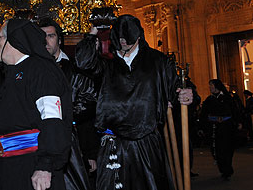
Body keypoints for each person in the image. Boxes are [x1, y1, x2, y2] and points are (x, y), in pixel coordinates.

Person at [75, 14, 194, 190]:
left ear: (138, 36)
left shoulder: (158, 61)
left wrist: (187, 95)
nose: (123, 43)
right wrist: (94, 31)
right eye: (119, 38)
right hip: (113, 142)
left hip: (146, 141)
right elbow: (83, 61)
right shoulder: (107, 64)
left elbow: (177, 89)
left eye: (127, 39)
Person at [0, 18, 73, 190]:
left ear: (12, 40)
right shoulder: (13, 74)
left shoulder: (40, 71)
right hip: (11, 166)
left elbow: (52, 119)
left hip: (32, 165)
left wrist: (45, 165)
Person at [39, 18, 95, 190]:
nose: (46, 41)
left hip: (74, 148)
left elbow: (89, 108)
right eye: (42, 36)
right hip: (41, 145)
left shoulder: (76, 69)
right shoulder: (33, 70)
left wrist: (90, 153)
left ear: (60, 40)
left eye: (51, 36)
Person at [199, 79, 242, 181]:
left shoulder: (228, 98)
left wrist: (239, 122)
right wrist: (201, 127)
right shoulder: (209, 100)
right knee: (217, 150)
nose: (210, 87)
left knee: (227, 149)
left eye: (211, 85)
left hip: (227, 127)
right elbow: (203, 114)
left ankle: (227, 169)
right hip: (214, 128)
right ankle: (222, 168)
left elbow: (235, 111)